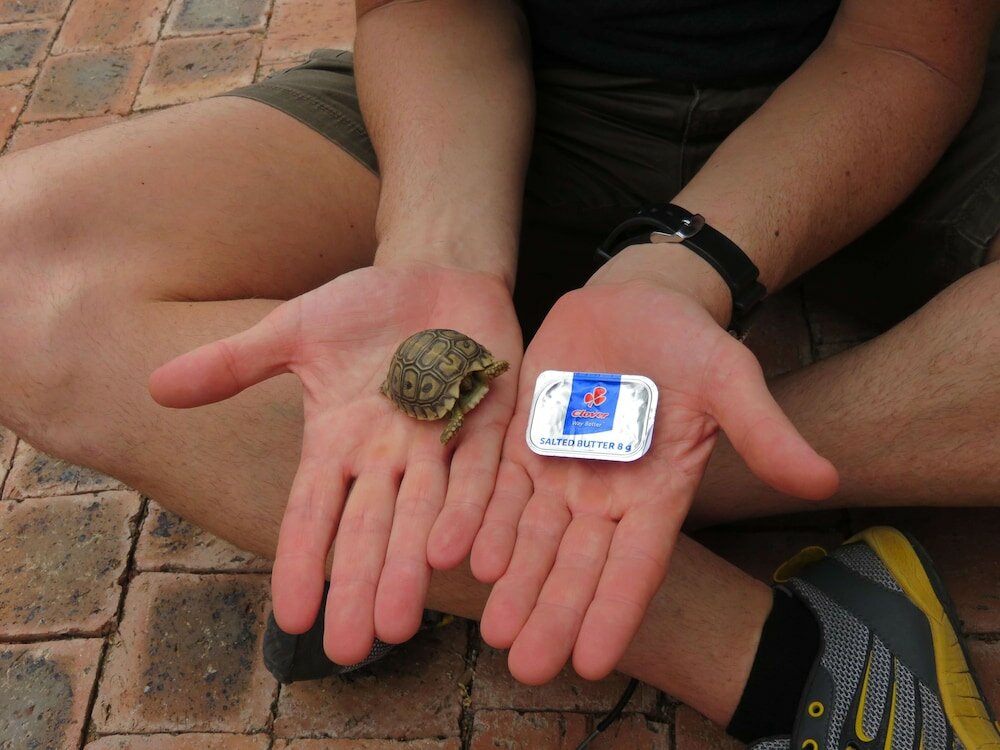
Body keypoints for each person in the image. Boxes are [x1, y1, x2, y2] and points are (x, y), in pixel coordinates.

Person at [2, 0, 998, 746]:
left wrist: (684, 264)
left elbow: (904, 47)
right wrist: (438, 249)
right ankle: (781, 660)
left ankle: (492, 511)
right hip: (516, 103)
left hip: (881, 121)